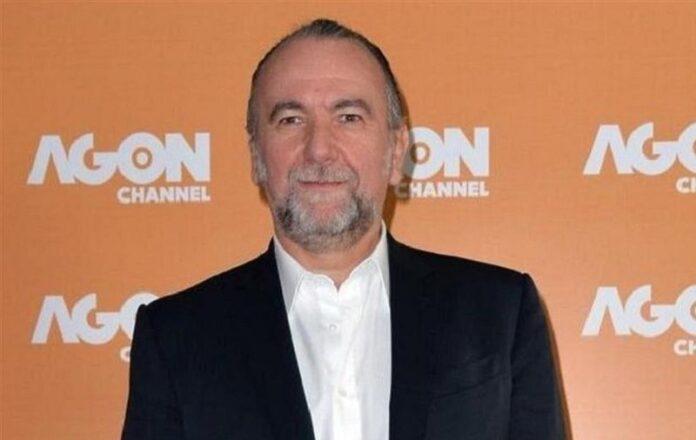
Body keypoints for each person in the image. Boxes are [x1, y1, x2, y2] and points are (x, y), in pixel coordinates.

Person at [122, 18, 565, 440]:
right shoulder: (177, 337)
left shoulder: (499, 313)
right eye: (291, 119)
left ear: (396, 150)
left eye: (349, 117)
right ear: (256, 156)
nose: (319, 149)